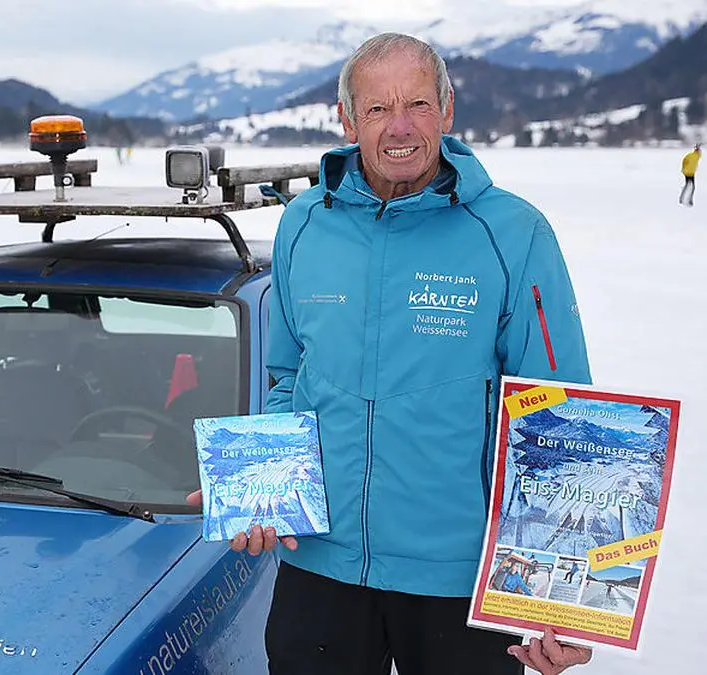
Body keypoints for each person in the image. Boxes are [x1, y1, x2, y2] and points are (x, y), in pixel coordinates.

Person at [188, 32, 593, 675]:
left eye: (419, 105)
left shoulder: (513, 232)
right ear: (347, 120)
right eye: (377, 108)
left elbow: (560, 418)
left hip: (457, 576)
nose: (399, 127)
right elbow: (290, 376)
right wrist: (259, 492)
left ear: (449, 111)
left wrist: (560, 600)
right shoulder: (303, 224)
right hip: (322, 567)